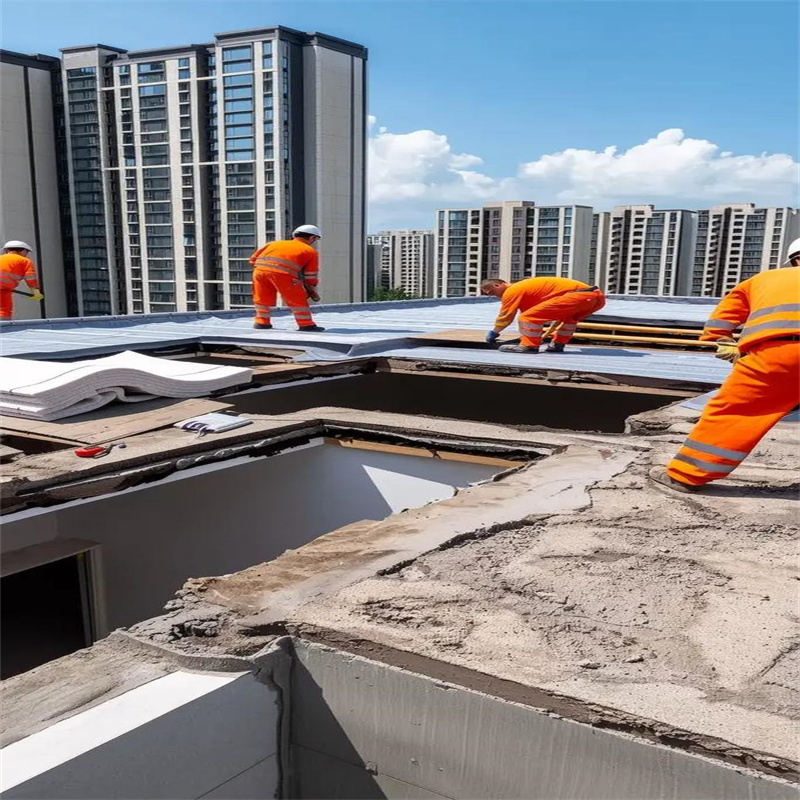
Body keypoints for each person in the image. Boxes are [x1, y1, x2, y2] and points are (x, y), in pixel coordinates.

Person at [650, 237, 800, 493]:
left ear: (794, 259)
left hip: (779, 354)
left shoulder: (766, 279)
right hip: (781, 352)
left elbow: (723, 318)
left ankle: (686, 475)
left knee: (737, 412)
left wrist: (722, 341)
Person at [481, 276, 606, 353]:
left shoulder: (512, 290)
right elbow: (535, 314)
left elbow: (506, 316)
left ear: (498, 284)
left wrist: (495, 332)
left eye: (492, 292)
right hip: (595, 298)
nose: (494, 296)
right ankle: (558, 344)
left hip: (577, 295)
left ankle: (529, 346)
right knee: (569, 319)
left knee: (527, 318)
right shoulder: (526, 289)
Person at [250, 225, 325, 331]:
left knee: (262, 299)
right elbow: (310, 274)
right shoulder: (310, 251)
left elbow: (252, 260)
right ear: (312, 238)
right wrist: (311, 287)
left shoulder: (273, 244)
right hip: (283, 275)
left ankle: (261, 322)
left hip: (259, 272)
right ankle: (306, 324)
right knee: (297, 300)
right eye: (315, 239)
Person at [0, 240, 43, 320]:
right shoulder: (25, 261)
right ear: (23, 250)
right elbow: (31, 278)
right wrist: (36, 293)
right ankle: (4, 329)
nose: (26, 255)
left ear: (7, 250)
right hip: (3, 290)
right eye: (26, 252)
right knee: (4, 311)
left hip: (3, 288)